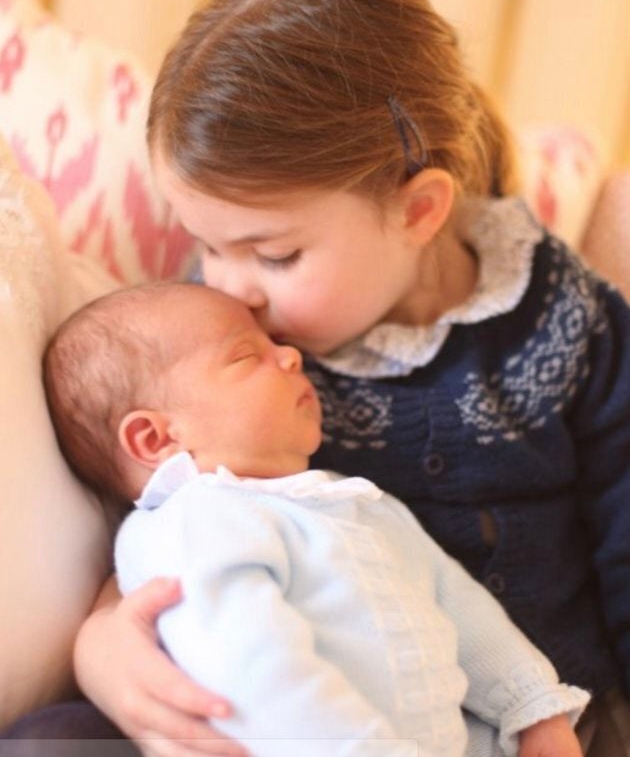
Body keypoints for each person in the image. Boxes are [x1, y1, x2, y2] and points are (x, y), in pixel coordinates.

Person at [2, 0, 629, 757]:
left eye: (275, 254)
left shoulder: (568, 321)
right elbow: (157, 502)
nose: (234, 288)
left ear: (419, 210)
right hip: (271, 693)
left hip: (527, 719)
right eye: (206, 245)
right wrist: (99, 641)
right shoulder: (223, 327)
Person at [42, 281, 588, 757]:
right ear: (156, 438)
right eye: (244, 356)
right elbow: (253, 670)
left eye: (274, 345)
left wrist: (532, 707)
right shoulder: (195, 521)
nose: (291, 357)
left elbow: (460, 609)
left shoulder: (362, 505)